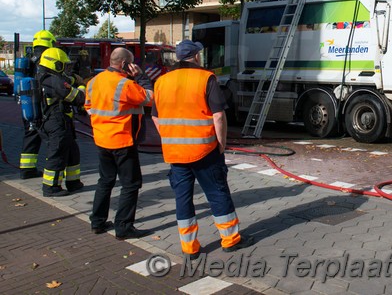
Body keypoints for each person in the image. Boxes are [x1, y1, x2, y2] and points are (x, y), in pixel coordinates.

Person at [152, 40, 252, 259]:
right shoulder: (206, 78)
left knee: (183, 199)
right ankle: (230, 240)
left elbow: (155, 116)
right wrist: (221, 143)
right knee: (217, 193)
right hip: (205, 151)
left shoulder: (161, 81)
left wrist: (170, 138)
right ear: (196, 56)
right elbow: (218, 115)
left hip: (175, 153)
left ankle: (189, 248)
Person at [85, 48, 153, 239]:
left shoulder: (93, 81)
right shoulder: (125, 84)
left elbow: (88, 106)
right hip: (122, 140)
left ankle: (97, 222)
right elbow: (149, 97)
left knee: (105, 181)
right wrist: (141, 76)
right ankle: (123, 227)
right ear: (125, 64)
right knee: (131, 185)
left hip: (102, 139)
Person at [38, 47, 86, 197]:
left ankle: (73, 182)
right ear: (56, 65)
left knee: (72, 151)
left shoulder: (48, 78)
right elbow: (78, 98)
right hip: (56, 122)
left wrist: (73, 79)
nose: (66, 68)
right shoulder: (53, 81)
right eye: (64, 65)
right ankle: (51, 187)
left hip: (60, 121)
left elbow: (65, 81)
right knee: (57, 154)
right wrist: (83, 86)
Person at [19, 30, 56, 179]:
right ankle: (53, 173)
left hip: (27, 105)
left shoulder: (28, 59)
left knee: (30, 136)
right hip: (43, 106)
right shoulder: (46, 59)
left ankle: (26, 170)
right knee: (52, 140)